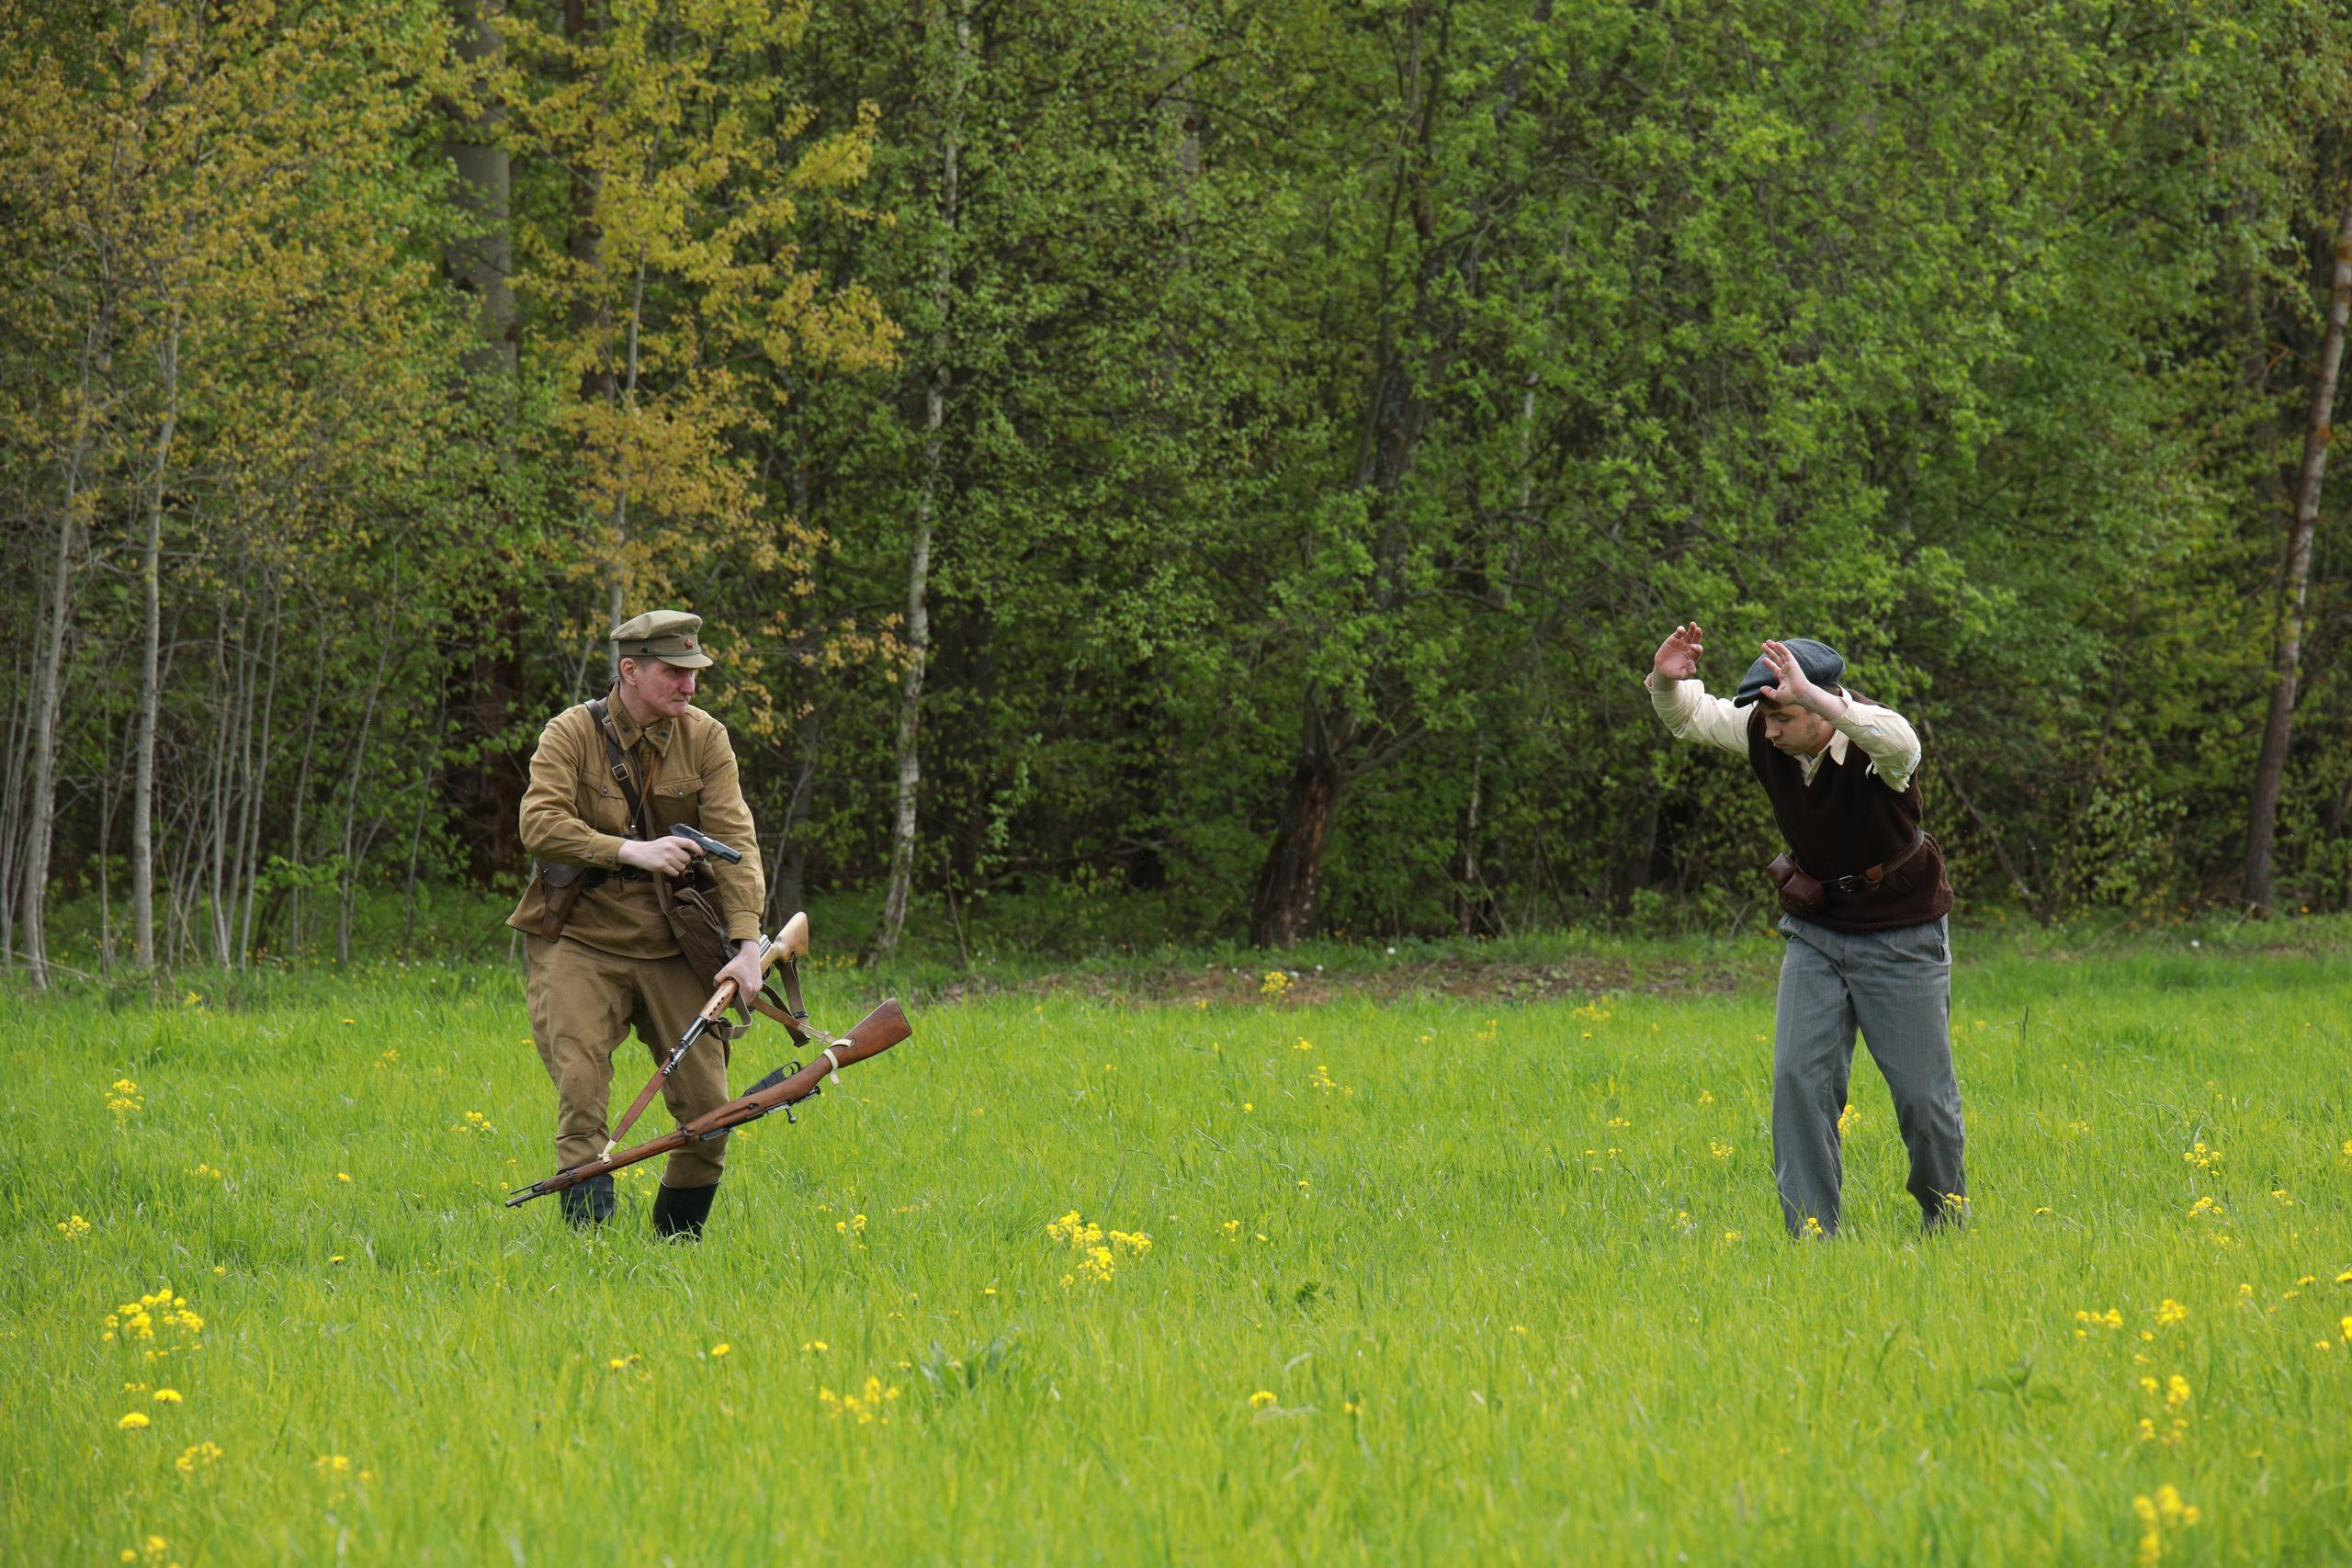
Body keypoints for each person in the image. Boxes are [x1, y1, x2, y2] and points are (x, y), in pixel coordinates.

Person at [1645, 623, 1965, 1237]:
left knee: (1924, 1100)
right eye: (1764, 721)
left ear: (1820, 708)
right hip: (1817, 929)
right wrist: (1665, 678)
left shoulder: (1874, 744)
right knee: (1799, 1082)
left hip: (1903, 933)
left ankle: (1945, 1219)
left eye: (1784, 718)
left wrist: (1819, 698)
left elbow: (1906, 741)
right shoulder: (1767, 729)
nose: (1767, 733)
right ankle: (1813, 1235)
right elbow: (1690, 715)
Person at [508, 610, 770, 1238]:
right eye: (675, 673)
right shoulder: (570, 733)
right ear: (630, 670)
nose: (690, 687)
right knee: (581, 1088)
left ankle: (676, 1249)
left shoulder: (706, 738)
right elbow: (537, 823)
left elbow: (737, 838)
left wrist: (746, 944)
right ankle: (591, 1253)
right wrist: (629, 850)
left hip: (674, 945)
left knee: (711, 1111)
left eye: (694, 674)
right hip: (580, 941)